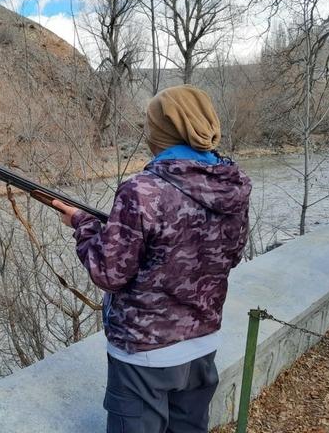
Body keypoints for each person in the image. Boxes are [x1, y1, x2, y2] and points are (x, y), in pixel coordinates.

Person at [53, 85, 251, 433]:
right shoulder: (234, 185)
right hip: (203, 345)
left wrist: (83, 225)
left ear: (161, 130)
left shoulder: (142, 190)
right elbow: (231, 254)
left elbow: (108, 273)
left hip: (144, 354)